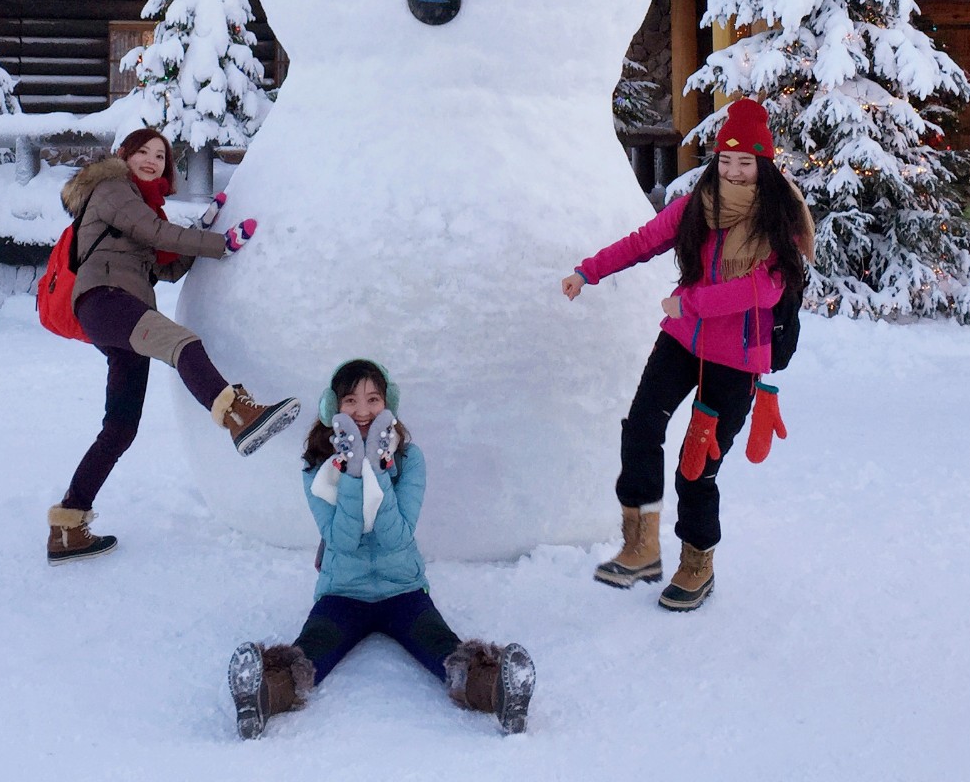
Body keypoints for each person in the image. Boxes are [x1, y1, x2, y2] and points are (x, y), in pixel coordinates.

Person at [560, 96, 814, 612]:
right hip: (682, 341)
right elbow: (644, 240)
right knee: (641, 429)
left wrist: (691, 301)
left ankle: (697, 562)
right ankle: (641, 544)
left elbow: (762, 292)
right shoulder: (700, 203)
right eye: (725, 160)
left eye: (745, 162)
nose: (734, 171)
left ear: (762, 164)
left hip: (737, 359)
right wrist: (589, 271)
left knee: (695, 468)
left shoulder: (780, 218)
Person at [226, 359, 536, 738]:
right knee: (308, 656)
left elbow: (397, 537)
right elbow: (342, 540)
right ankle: (260, 696)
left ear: (388, 406)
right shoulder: (316, 466)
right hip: (342, 592)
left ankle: (501, 693)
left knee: (446, 651)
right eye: (350, 400)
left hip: (403, 590)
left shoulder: (410, 460)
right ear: (332, 408)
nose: (362, 411)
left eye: (373, 399)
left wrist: (377, 466)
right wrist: (353, 471)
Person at [48, 128, 300, 563]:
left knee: (120, 427)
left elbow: (167, 266)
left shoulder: (141, 206)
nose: (151, 160)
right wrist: (222, 243)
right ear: (123, 156)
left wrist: (202, 230)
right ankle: (238, 414)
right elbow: (155, 234)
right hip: (106, 300)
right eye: (142, 151)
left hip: (119, 306)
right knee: (181, 343)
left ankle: (68, 527)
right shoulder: (112, 189)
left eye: (161, 156)